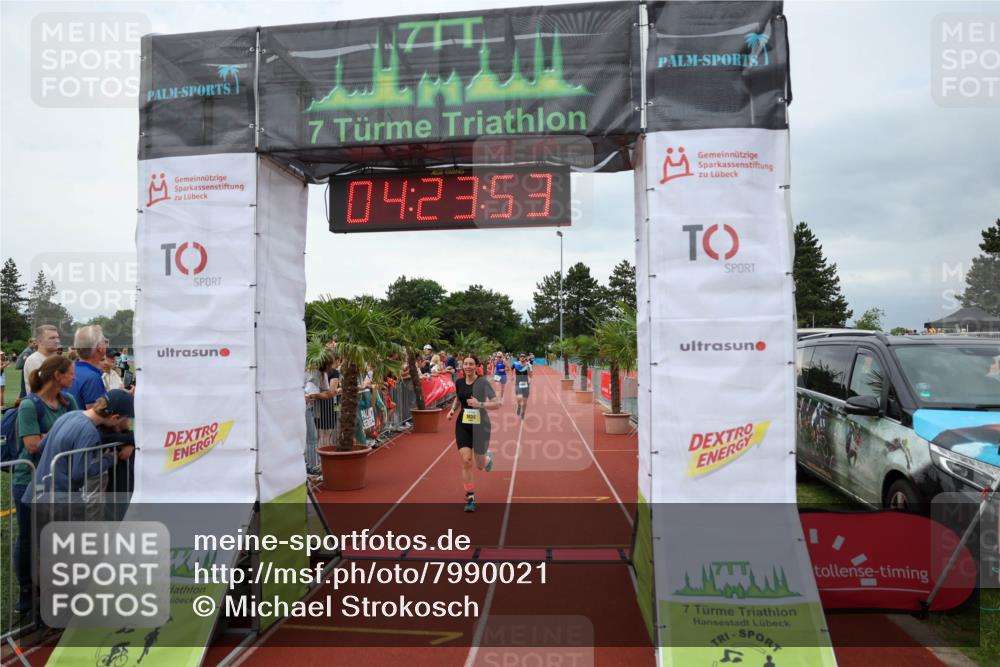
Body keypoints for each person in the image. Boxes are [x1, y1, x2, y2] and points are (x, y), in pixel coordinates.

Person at [11, 354, 79, 612]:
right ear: (57, 376)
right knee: (28, 537)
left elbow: (79, 431)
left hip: (59, 480)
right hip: (29, 480)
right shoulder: (30, 405)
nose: (74, 377)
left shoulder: (69, 401)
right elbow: (31, 445)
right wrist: (62, 434)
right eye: (70, 373)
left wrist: (49, 435)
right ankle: (27, 590)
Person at [23, 389, 134, 509]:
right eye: (124, 419)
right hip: (58, 500)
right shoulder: (89, 431)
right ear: (115, 417)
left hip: (37, 491)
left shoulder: (70, 415)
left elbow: (41, 446)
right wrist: (109, 459)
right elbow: (79, 473)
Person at [446, 355, 500, 512]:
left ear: (476, 366)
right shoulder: (459, 382)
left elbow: (496, 403)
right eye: (465, 364)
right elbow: (458, 398)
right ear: (462, 366)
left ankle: (487, 459)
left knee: (480, 465)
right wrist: (452, 410)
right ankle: (470, 497)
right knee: (466, 460)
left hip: (481, 425)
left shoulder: (483, 383)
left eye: (471, 364)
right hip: (463, 425)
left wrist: (479, 404)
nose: (468, 366)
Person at [69, 325, 108, 409]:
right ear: (99, 348)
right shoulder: (92, 378)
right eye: (104, 341)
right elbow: (96, 414)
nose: (106, 344)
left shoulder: (70, 368)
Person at [23, 325, 62, 395]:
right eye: (52, 338)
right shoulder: (33, 360)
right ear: (40, 341)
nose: (57, 341)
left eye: (58, 338)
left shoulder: (56, 359)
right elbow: (47, 386)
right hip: (41, 401)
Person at [512, 353, 533, 419]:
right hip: (518, 383)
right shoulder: (515, 364)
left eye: (523, 357)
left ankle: (523, 413)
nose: (522, 358)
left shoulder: (528, 364)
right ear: (519, 357)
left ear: (525, 358)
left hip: (526, 383)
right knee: (519, 397)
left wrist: (528, 368)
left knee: (525, 401)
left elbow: (530, 375)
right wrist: (512, 376)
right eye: (521, 356)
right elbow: (511, 368)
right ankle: (519, 405)